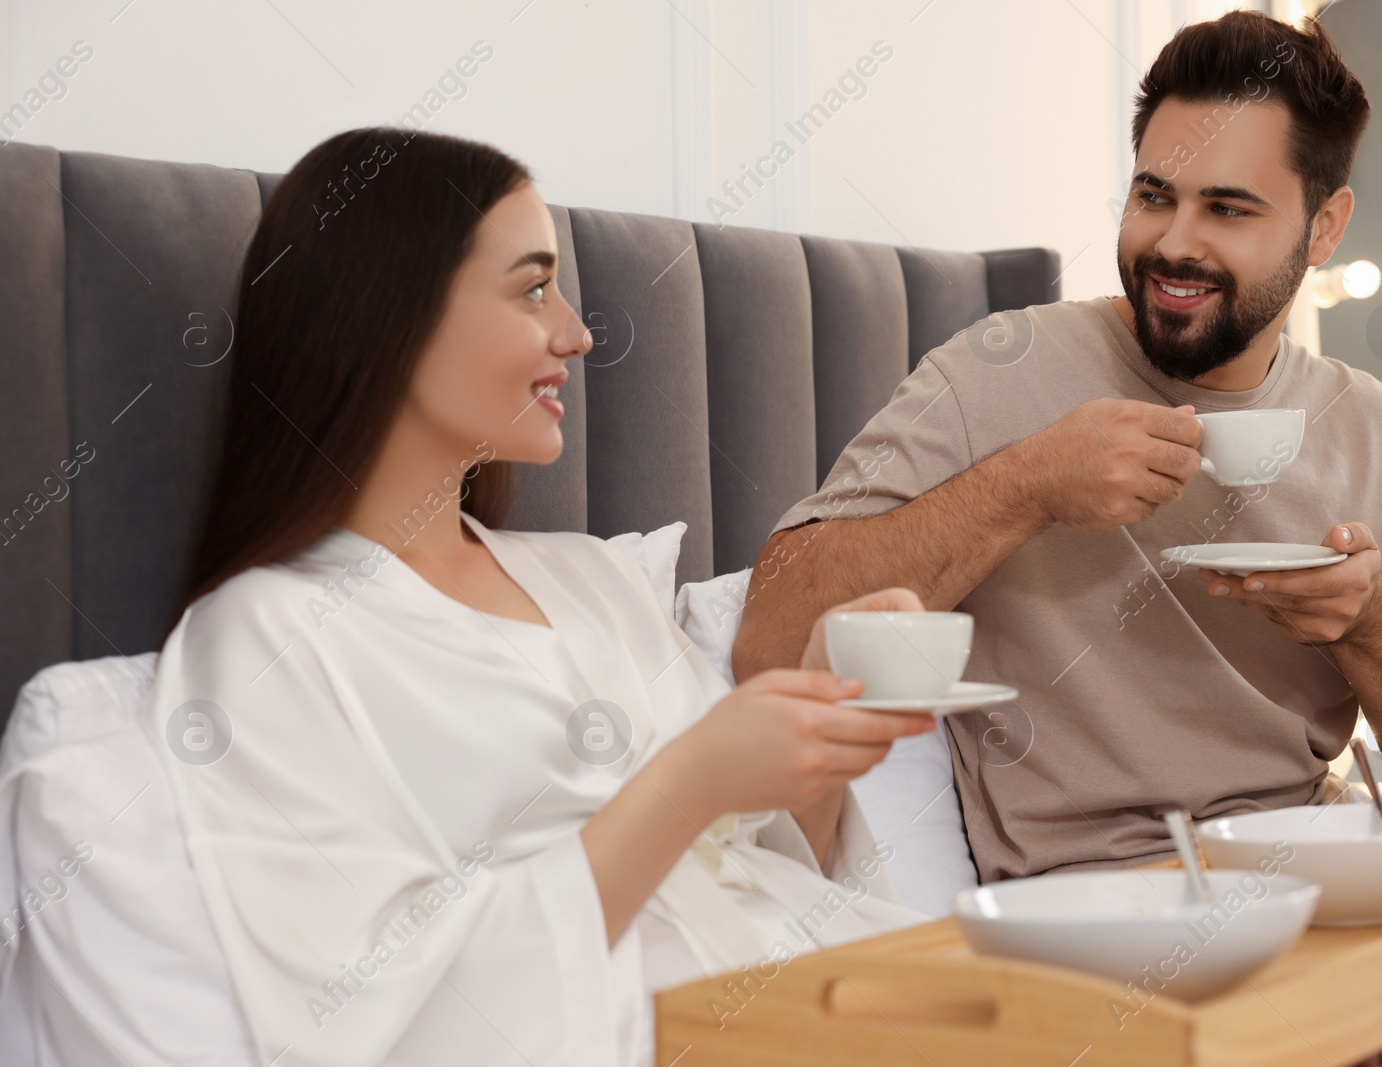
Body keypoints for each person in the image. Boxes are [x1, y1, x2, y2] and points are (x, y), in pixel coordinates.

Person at [732, 10, 1382, 1050]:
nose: (1173, 243)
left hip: (1329, 878)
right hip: (1115, 916)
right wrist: (1026, 487)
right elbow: (772, 631)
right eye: (1154, 195)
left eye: (1227, 208)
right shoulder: (997, 369)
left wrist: (1369, 620)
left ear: (1324, 229)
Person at [143, 127, 938, 1067]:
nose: (577, 331)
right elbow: (367, 1011)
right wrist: (687, 782)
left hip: (835, 996)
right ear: (390, 316)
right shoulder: (264, 636)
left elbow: (759, 871)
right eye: (532, 288)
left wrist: (825, 703)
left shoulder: (594, 580)